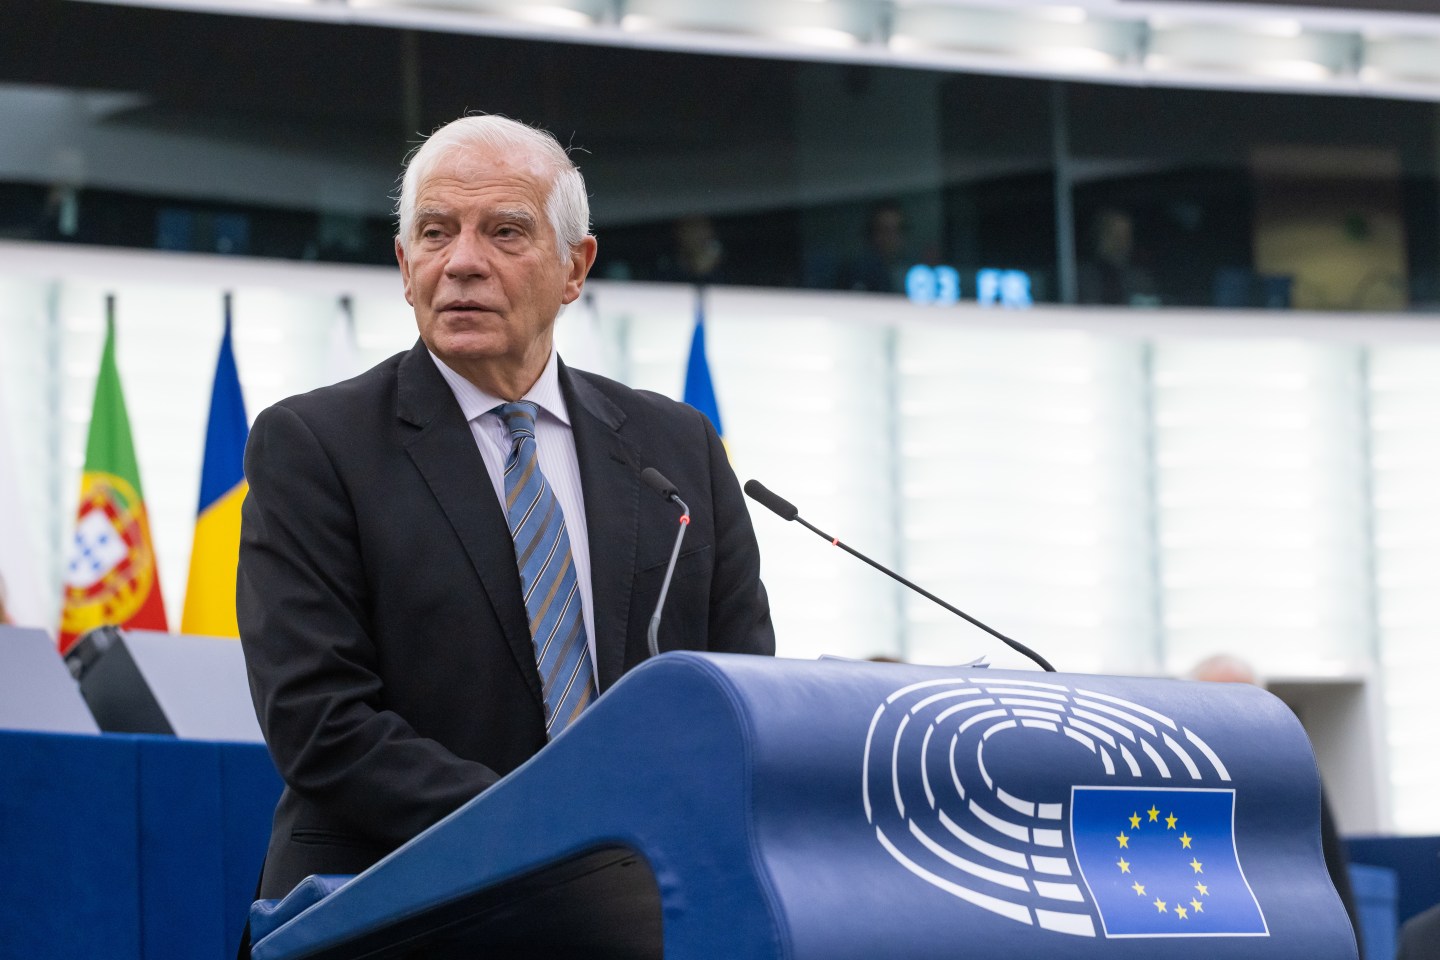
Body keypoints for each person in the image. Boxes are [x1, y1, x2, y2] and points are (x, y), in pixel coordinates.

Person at [237, 114, 775, 904]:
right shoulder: (315, 446)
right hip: (397, 907)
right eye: (435, 233)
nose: (461, 263)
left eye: (505, 233)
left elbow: (739, 692)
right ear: (403, 263)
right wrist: (558, 829)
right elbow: (321, 724)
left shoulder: (678, 448)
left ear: (574, 267)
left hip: (645, 907)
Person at [1188, 654, 1363, 958]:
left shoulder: (1295, 772)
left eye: (1240, 701)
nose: (1228, 714)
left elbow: (1332, 873)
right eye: (1214, 702)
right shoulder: (1175, 781)